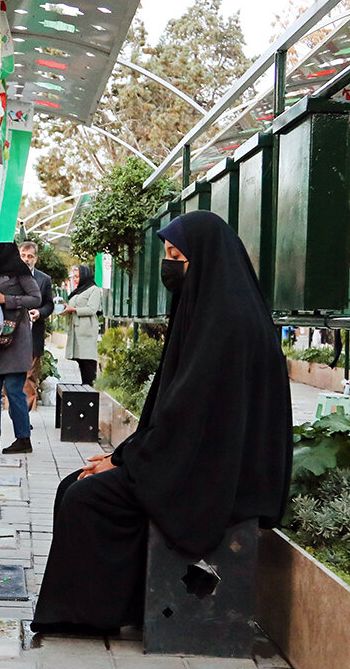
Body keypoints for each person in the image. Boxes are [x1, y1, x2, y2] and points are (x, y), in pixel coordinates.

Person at [31, 211, 292, 634]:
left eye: (176, 255)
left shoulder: (227, 324)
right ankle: (104, 608)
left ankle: (96, 614)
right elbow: (180, 412)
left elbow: (190, 417)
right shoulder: (213, 309)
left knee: (86, 498)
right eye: (167, 254)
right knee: (75, 485)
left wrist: (127, 464)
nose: (169, 266)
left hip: (217, 479)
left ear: (205, 258)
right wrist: (126, 455)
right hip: (196, 460)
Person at [0, 239, 41, 455]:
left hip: (15, 339)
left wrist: (7, 299)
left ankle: (23, 439)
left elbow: (35, 298)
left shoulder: (18, 270)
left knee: (14, 391)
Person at [19, 241, 55, 410]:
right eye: (23, 255)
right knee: (13, 375)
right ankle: (13, 409)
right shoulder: (9, 277)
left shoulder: (44, 279)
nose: (26, 259)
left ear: (36, 259)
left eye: (30, 256)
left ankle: (27, 413)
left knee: (30, 374)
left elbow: (50, 304)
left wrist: (40, 312)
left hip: (33, 334)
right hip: (12, 334)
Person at [62, 264, 103, 385]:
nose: (75, 279)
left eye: (77, 277)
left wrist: (73, 310)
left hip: (87, 331)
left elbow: (92, 309)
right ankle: (84, 390)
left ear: (85, 276)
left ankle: (89, 391)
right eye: (74, 277)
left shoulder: (93, 290)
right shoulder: (78, 291)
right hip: (76, 331)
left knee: (88, 362)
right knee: (81, 362)